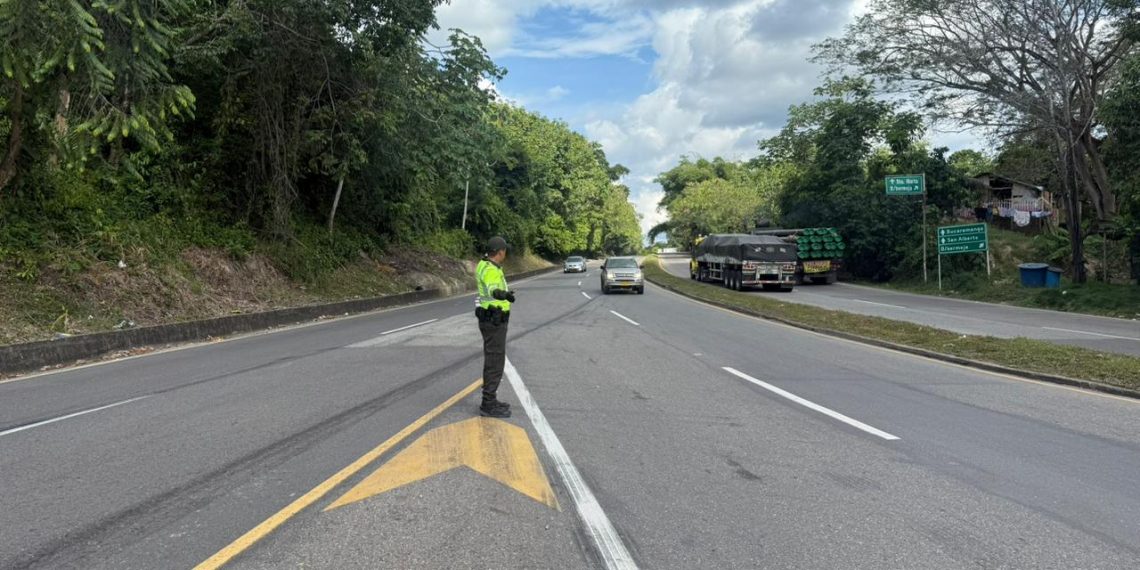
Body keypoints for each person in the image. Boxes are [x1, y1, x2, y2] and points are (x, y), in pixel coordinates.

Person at [474, 236, 516, 418]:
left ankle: (490, 399)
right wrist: (503, 294)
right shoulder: (490, 269)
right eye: (504, 250)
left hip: (489, 319)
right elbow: (492, 288)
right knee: (495, 361)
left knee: (493, 359)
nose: (505, 253)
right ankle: (488, 403)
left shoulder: (483, 264)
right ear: (500, 252)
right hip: (494, 320)